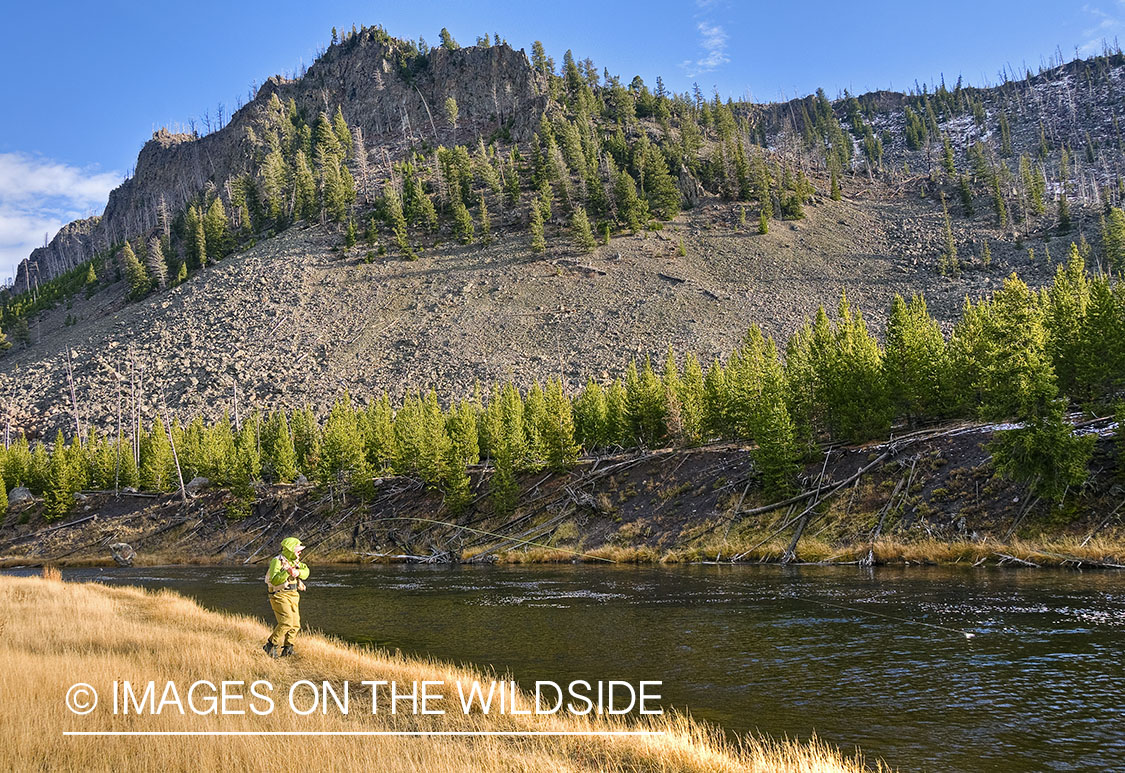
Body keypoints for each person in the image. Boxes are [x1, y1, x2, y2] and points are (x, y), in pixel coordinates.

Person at [263, 536, 310, 658]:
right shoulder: (277, 561)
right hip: (279, 595)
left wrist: (298, 572)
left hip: (294, 595)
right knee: (286, 622)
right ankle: (270, 645)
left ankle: (288, 649)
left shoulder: (296, 562)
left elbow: (306, 572)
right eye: (298, 549)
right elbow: (274, 580)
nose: (300, 551)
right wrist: (287, 572)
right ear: (290, 549)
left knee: (295, 624)